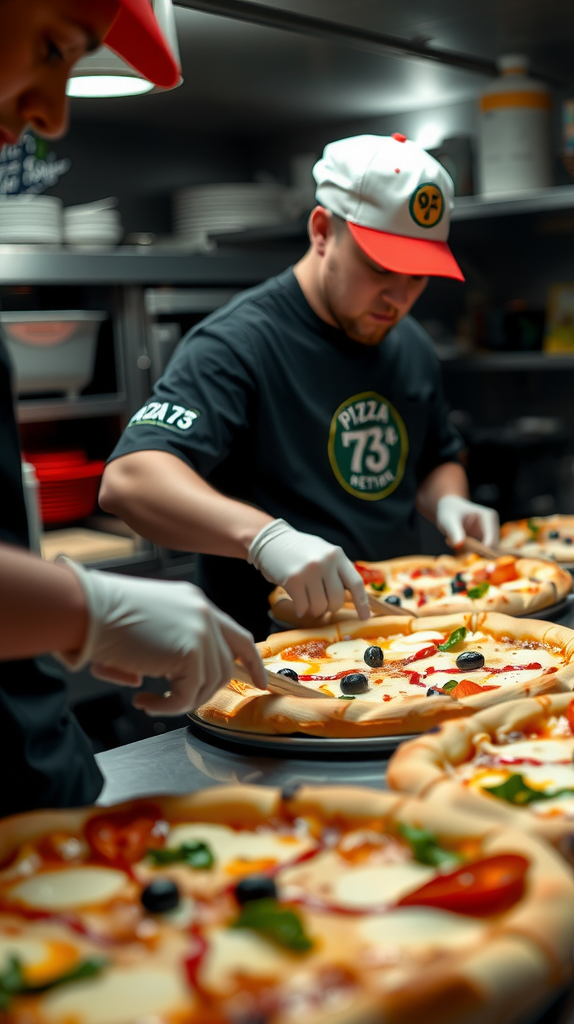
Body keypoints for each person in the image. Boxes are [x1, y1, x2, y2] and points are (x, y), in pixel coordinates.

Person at [0, 0, 266, 816]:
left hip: (43, 788)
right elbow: (131, 478)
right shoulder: (243, 335)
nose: (53, 116)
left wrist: (58, 616)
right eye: (54, 47)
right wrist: (87, 608)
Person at [99, 133, 498, 638]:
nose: (398, 298)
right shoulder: (237, 342)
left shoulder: (410, 343)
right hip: (274, 651)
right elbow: (129, 480)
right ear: (323, 231)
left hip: (397, 637)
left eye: (418, 276)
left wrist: (448, 503)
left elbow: (436, 456)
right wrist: (265, 538)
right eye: (380, 268)